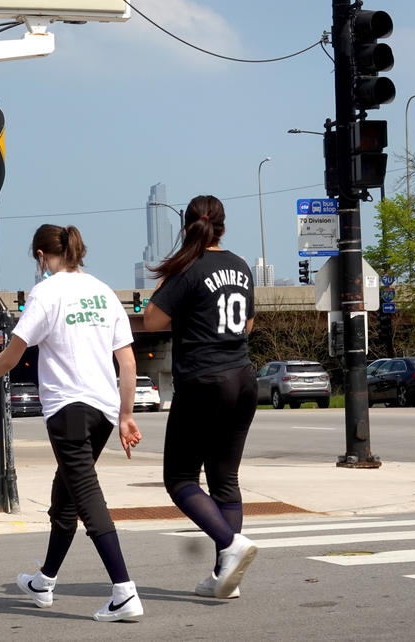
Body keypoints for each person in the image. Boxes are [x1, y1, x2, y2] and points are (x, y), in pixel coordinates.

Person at [0, 224, 144, 623]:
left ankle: (124, 591)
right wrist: (126, 416)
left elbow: (12, 354)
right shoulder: (103, 291)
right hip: (103, 412)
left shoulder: (45, 293)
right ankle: (43, 581)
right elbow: (127, 361)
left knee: (87, 496)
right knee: (66, 494)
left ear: (41, 257)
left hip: (68, 411)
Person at [142, 195, 259, 600]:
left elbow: (152, 319)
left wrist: (167, 281)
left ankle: (231, 545)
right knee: (225, 479)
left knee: (180, 479)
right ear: (222, 226)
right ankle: (226, 577)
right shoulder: (242, 266)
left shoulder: (188, 267)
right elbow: (247, 324)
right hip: (244, 377)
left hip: (204, 381)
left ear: (187, 226)